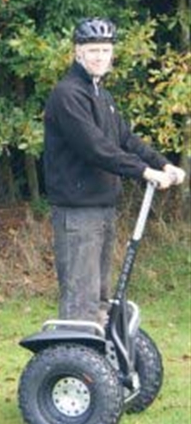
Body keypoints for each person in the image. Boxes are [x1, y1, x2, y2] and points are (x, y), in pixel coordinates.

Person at [43, 17, 185, 325]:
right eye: (92, 50)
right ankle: (75, 367)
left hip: (102, 207)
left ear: (112, 54)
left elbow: (124, 139)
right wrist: (145, 173)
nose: (99, 57)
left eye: (105, 51)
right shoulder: (67, 94)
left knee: (100, 298)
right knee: (81, 299)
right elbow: (96, 148)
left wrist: (162, 163)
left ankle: (100, 366)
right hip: (77, 212)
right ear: (77, 52)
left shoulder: (101, 95)